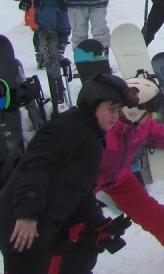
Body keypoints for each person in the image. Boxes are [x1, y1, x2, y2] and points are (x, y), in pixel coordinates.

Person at [0, 73, 139, 274]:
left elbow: (80, 191)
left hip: (46, 223)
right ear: (92, 105)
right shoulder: (68, 128)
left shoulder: (91, 137)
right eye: (111, 109)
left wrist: (97, 225)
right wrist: (27, 214)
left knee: (82, 253)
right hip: (22, 225)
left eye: (118, 110)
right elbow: (34, 166)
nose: (116, 116)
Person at [95, 75, 164, 260]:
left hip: (119, 177)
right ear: (134, 110)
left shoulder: (141, 126)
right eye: (149, 112)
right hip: (85, 181)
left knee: (151, 212)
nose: (152, 117)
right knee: (72, 228)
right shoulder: (103, 130)